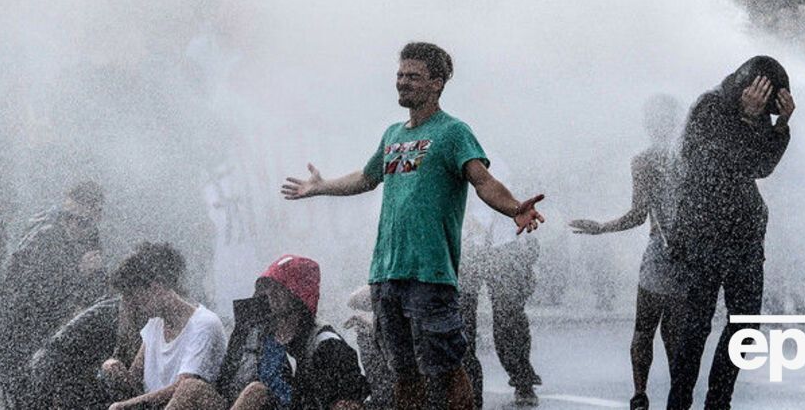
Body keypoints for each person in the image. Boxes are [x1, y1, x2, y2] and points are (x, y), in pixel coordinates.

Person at [282, 42, 546, 409]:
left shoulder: (453, 132)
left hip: (430, 275)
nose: (402, 83)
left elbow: (482, 180)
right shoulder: (393, 134)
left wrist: (514, 207)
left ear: (437, 84)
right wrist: (321, 186)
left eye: (413, 76)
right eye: (400, 75)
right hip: (387, 273)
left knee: (447, 370)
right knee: (402, 373)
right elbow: (366, 177)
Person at [666, 56, 795, 410]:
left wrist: (779, 125)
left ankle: (718, 401)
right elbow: (719, 161)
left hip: (746, 239)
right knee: (695, 327)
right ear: (744, 86)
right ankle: (678, 402)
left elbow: (761, 166)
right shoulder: (709, 107)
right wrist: (747, 120)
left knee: (746, 327)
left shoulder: (755, 117)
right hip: (702, 234)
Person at [569, 94, 683, 410]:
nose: (655, 126)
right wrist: (601, 228)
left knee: (650, 329)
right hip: (677, 255)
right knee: (667, 332)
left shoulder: (648, 160)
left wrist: (602, 228)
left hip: (663, 253)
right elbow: (640, 214)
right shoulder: (681, 157)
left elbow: (638, 215)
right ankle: (665, 394)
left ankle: (642, 395)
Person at [167, 254, 368, 410]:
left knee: (256, 392)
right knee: (190, 388)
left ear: (298, 294)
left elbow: (349, 402)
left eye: (277, 288)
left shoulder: (326, 345)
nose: (268, 295)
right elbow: (225, 383)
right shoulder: (250, 331)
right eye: (265, 287)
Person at [0, 180, 108, 408]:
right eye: (68, 217)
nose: (73, 225)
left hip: (55, 336)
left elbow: (93, 292)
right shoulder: (44, 239)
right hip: (21, 338)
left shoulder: (91, 239)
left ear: (97, 216)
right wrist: (77, 272)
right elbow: (27, 296)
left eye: (82, 221)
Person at [100, 242, 227, 410]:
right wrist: (113, 368)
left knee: (188, 388)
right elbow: (133, 381)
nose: (135, 307)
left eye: (137, 300)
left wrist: (122, 406)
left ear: (156, 288)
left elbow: (183, 389)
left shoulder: (204, 324)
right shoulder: (155, 324)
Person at [460, 158, 541, 408]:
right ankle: (464, 382)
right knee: (461, 320)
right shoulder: (453, 148)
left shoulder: (496, 157)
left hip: (504, 246)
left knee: (509, 317)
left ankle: (521, 378)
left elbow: (493, 190)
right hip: (466, 247)